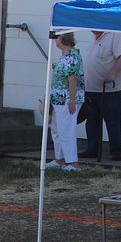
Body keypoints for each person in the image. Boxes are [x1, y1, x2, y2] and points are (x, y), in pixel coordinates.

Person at [80, 31, 121, 161]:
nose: (91, 30)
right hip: (91, 88)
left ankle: (116, 151)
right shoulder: (93, 38)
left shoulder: (116, 34)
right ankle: (93, 149)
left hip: (111, 89)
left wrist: (113, 74)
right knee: (91, 120)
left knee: (112, 121)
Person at [44, 33, 85, 171]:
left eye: (57, 37)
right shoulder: (66, 56)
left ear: (62, 39)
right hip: (59, 99)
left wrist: (72, 100)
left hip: (67, 100)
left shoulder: (72, 56)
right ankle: (60, 159)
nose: (55, 40)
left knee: (67, 129)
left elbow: (72, 78)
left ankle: (73, 163)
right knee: (56, 129)